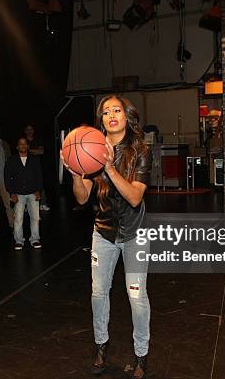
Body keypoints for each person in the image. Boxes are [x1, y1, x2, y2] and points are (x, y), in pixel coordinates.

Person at [60, 95, 152, 378]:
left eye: (117, 110)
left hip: (135, 232)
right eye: (105, 112)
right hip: (103, 233)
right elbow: (82, 197)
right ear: (101, 120)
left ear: (126, 116)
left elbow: (135, 197)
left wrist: (109, 167)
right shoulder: (90, 147)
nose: (111, 115)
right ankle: (101, 345)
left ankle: (141, 355)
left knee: (136, 296)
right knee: (98, 293)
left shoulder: (140, 150)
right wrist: (77, 175)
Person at [5, 137, 43, 250]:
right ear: (17, 147)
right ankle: (18, 240)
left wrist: (38, 190)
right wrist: (12, 193)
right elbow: (7, 178)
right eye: (20, 144)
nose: (22, 146)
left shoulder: (34, 159)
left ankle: (35, 239)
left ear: (27, 146)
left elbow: (39, 176)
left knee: (35, 218)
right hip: (18, 194)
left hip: (33, 192)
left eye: (24, 144)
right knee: (18, 219)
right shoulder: (11, 160)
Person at [23, 124, 50, 212]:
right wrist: (34, 151)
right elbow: (22, 151)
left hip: (38, 166)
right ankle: (27, 205)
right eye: (28, 129)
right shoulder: (23, 141)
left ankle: (43, 203)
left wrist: (29, 150)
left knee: (40, 184)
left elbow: (41, 151)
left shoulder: (38, 140)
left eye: (31, 129)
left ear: (33, 131)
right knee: (27, 185)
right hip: (26, 166)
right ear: (25, 131)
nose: (29, 131)